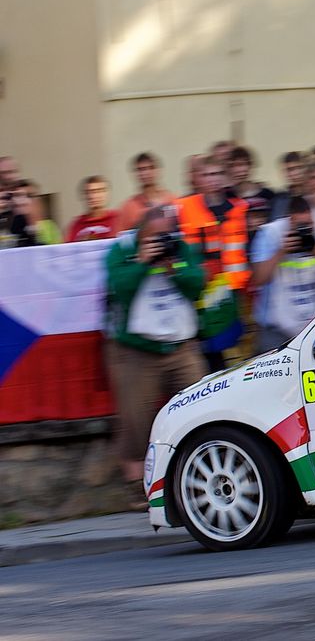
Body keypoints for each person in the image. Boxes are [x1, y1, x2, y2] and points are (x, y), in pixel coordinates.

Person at [104, 205, 205, 493]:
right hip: (138, 351)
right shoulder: (121, 250)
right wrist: (142, 262)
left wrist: (175, 269)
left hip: (181, 348)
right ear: (141, 233)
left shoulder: (180, 247)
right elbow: (119, 287)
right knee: (136, 423)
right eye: (155, 237)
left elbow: (197, 284)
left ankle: (195, 475)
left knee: (200, 411)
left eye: (166, 235)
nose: (162, 241)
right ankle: (139, 488)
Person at [249, 195, 315, 351]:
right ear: (289, 220)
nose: (304, 231)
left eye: (308, 225)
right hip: (278, 327)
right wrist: (281, 251)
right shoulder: (270, 233)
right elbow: (259, 279)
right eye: (299, 225)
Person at [176, 156, 250, 372]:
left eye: (217, 174)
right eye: (207, 174)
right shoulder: (183, 208)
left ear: (225, 176)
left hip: (233, 295)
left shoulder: (239, 209)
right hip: (197, 293)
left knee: (235, 360)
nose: (212, 179)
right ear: (198, 178)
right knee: (205, 360)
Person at [119, 152, 175, 231]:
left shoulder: (171, 200)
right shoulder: (129, 207)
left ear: (158, 171)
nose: (146, 173)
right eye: (141, 169)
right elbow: (123, 236)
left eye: (151, 168)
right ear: (136, 174)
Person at [67, 176, 119, 242]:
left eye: (99, 191)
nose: (93, 196)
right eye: (89, 192)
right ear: (84, 196)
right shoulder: (76, 224)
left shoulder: (118, 219)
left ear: (106, 193)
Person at [270, 151, 308, 220]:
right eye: (290, 169)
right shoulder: (279, 200)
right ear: (285, 173)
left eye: (300, 167)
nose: (296, 173)